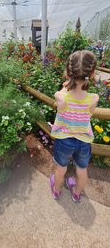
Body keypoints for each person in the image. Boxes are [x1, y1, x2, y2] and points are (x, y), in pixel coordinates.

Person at [50, 50, 99, 202]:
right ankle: (77, 193)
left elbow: (60, 97)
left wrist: (65, 88)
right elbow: (89, 114)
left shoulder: (61, 97)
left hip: (64, 140)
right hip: (83, 141)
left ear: (67, 72)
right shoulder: (93, 98)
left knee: (61, 168)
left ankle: (56, 191)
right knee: (82, 169)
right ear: (92, 74)